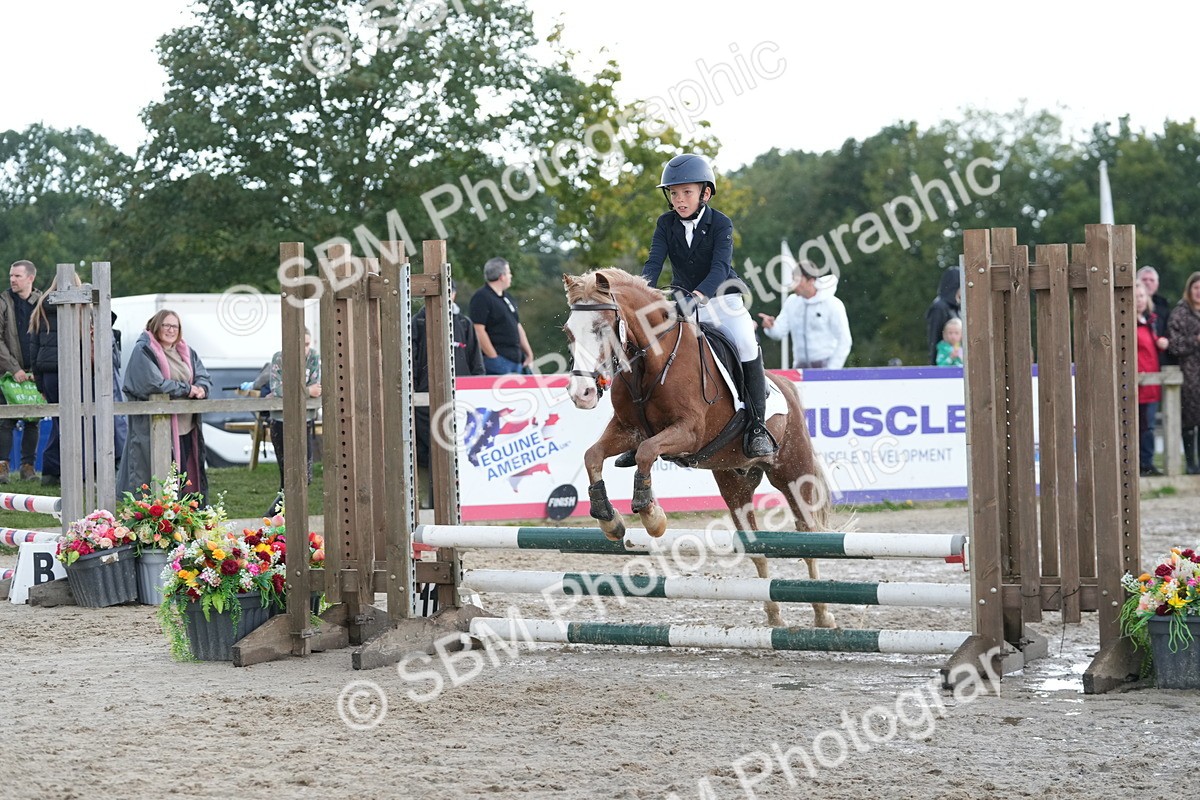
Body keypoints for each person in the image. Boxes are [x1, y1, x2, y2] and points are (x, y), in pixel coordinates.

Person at [639, 152, 775, 457]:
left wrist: (697, 297)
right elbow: (653, 262)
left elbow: (718, 268)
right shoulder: (665, 223)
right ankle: (641, 430)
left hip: (723, 299)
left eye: (687, 192)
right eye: (674, 193)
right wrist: (639, 291)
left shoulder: (721, 223)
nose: (679, 200)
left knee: (745, 344)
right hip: (685, 302)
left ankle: (757, 427)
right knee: (650, 346)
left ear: (705, 192)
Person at [117, 310, 213, 499]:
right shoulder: (144, 350)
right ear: (156, 326)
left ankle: (184, 518)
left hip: (186, 428)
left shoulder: (186, 351)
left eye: (175, 326)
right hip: (155, 428)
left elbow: (203, 375)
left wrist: (201, 387)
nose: (171, 330)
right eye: (166, 325)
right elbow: (152, 383)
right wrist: (187, 389)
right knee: (158, 480)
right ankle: (158, 519)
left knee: (185, 478)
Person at [412, 279, 484, 507]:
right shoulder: (418, 322)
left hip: (461, 401)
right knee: (437, 455)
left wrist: (478, 394)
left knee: (460, 455)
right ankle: (436, 507)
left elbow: (476, 363)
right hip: (426, 401)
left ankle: (466, 505)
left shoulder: (463, 323)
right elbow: (411, 361)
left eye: (448, 293)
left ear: (453, 295)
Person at [266, 328, 321, 516]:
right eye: (300, 344)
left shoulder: (313, 357)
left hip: (305, 419)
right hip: (281, 421)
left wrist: (300, 392)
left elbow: (318, 387)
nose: (304, 348)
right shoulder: (279, 358)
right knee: (287, 476)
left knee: (305, 476)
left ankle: (276, 519)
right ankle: (275, 519)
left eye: (307, 344)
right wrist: (306, 391)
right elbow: (277, 389)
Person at [757, 265, 852, 369]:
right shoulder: (791, 302)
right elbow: (779, 333)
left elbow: (845, 340)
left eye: (797, 280)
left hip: (825, 366)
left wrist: (831, 370)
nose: (793, 285)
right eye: (793, 280)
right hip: (799, 367)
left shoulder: (833, 304)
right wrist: (771, 327)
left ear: (811, 281)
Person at [0, 260, 42, 483]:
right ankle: (2, 466)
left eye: (17, 276)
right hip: (6, 373)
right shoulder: (3, 301)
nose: (12, 280)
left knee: (32, 420)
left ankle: (28, 467)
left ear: (30, 278)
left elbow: (47, 338)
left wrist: (38, 370)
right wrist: (14, 368)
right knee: (5, 420)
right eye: (11, 276)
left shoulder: (43, 302)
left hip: (34, 373)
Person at [469, 258, 534, 375]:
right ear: (501, 276)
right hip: (498, 362)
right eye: (509, 272)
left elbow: (517, 326)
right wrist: (494, 358)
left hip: (518, 361)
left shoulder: (508, 297)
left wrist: (529, 353)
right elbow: (478, 329)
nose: (511, 276)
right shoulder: (481, 297)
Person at [1167, 271, 1200, 475]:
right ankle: (1190, 463)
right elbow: (1174, 344)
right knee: (1189, 422)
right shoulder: (1180, 313)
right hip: (1189, 376)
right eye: (1196, 288)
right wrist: (1194, 341)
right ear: (1189, 290)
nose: (1199, 292)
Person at [1135, 282, 1169, 476]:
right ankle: (1137, 463)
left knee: (1148, 427)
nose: (1139, 300)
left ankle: (1147, 462)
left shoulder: (1152, 321)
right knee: (1136, 425)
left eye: (1142, 296)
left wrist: (1161, 342)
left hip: (1151, 382)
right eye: (1136, 296)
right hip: (1137, 382)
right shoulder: (1127, 323)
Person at [925, 266, 961, 366]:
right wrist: (934, 368)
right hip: (943, 362)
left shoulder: (957, 308)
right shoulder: (939, 308)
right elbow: (934, 338)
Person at [1139, 265, 1174, 366]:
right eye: (1144, 279)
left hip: (1160, 360)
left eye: (1151, 280)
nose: (1147, 283)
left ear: (1157, 284)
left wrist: (1166, 341)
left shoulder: (1164, 307)